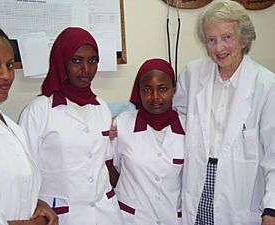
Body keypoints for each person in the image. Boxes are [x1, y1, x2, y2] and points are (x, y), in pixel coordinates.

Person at [172, 1, 275, 224]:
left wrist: (272, 208)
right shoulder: (193, 73)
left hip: (241, 192)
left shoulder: (266, 85)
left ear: (243, 39)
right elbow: (174, 121)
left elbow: (274, 156)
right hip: (197, 185)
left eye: (227, 37)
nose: (218, 48)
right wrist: (127, 121)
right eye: (211, 39)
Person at [18, 27, 124, 225]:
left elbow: (106, 163)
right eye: (76, 60)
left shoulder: (101, 107)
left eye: (92, 61)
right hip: (63, 214)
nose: (86, 69)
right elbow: (24, 172)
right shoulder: (38, 111)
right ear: (61, 62)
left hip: (105, 214)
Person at [0, 23, 58, 225]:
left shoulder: (11, 127)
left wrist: (38, 204)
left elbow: (11, 187)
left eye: (9, 65)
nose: (5, 75)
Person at [110, 58, 185, 225]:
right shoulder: (121, 124)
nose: (155, 97)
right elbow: (110, 168)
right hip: (132, 218)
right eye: (147, 90)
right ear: (139, 91)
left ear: (174, 89)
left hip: (173, 217)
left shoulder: (188, 128)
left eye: (163, 89)